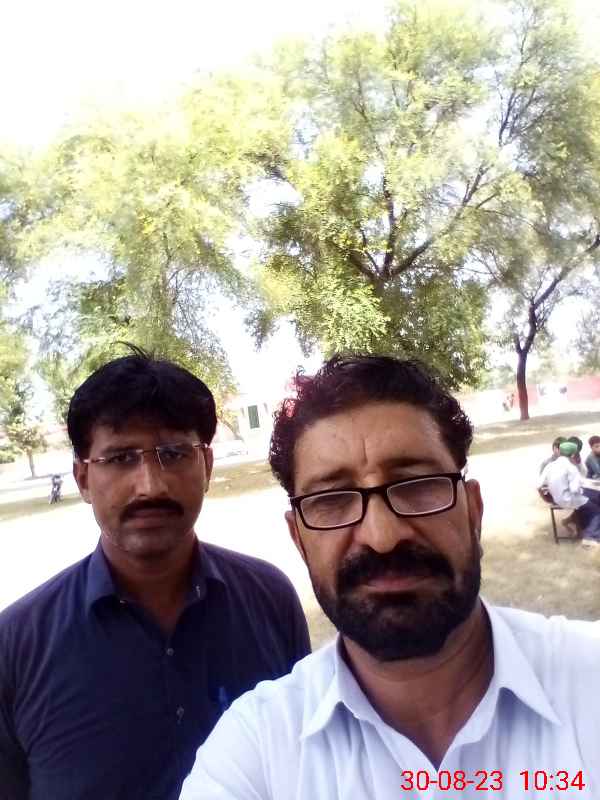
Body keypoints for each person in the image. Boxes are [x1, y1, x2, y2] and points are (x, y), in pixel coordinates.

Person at [181, 354, 600, 800]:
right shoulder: (255, 752)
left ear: (473, 512)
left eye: (417, 486)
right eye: (333, 500)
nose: (382, 537)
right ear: (299, 541)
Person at [0, 350, 310, 800]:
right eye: (120, 458)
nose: (150, 485)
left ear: (206, 466)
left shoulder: (270, 600)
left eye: (173, 453)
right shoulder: (16, 644)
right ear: (83, 479)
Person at [539, 440, 600, 547]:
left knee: (592, 499)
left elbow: (539, 485)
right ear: (573, 455)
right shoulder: (571, 468)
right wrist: (584, 489)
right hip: (569, 499)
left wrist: (547, 498)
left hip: (556, 498)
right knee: (595, 508)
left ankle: (577, 523)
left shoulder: (550, 465)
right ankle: (590, 537)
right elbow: (574, 489)